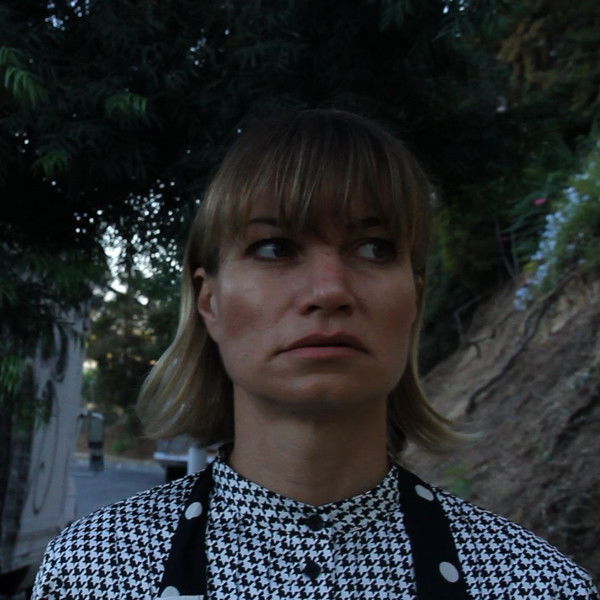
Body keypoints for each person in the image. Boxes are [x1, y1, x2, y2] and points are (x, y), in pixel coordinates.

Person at [32, 109, 598, 599]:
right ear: (210, 302)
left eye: (374, 248)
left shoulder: (537, 585)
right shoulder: (95, 572)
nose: (329, 290)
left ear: (415, 298)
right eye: (275, 248)